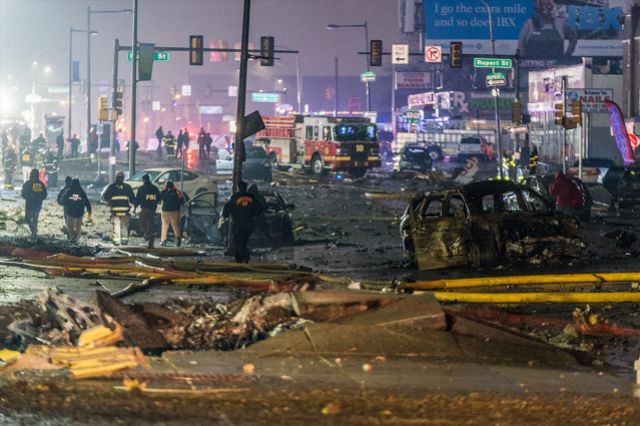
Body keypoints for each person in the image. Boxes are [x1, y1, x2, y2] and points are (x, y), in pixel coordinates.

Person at [222, 180, 262, 263]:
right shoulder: (251, 197)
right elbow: (259, 208)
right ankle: (239, 260)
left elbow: (226, 210)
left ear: (238, 187)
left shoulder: (234, 197)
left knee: (239, 241)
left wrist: (226, 215)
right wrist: (252, 215)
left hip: (238, 224)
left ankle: (245, 256)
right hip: (249, 223)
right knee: (243, 241)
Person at [103, 170, 135, 245]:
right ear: (123, 178)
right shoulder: (127, 187)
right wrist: (129, 206)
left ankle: (117, 241)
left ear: (116, 177)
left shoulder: (111, 187)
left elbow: (105, 196)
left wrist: (109, 201)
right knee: (124, 225)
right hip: (125, 210)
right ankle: (124, 241)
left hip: (115, 210)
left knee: (116, 225)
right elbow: (132, 198)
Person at [133, 174, 160, 248]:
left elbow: (137, 199)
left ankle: (146, 234)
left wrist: (135, 207)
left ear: (143, 179)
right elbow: (159, 198)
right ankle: (151, 242)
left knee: (142, 222)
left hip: (145, 209)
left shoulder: (141, 188)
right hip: (153, 210)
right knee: (150, 225)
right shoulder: (155, 188)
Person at [21, 168, 47, 238]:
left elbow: (23, 194)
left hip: (29, 204)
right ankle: (34, 232)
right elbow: (44, 195)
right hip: (37, 205)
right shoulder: (41, 184)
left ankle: (33, 231)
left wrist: (29, 197)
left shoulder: (28, 184)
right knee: (35, 218)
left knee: (27, 218)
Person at [63, 178, 91, 243]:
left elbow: (64, 201)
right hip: (79, 212)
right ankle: (77, 239)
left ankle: (73, 238)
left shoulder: (69, 192)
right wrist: (89, 209)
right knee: (78, 227)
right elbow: (86, 201)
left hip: (70, 212)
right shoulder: (81, 192)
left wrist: (68, 205)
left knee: (70, 227)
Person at [159, 180, 185, 247]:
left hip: (165, 212)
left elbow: (159, 198)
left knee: (164, 226)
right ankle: (178, 238)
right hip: (175, 211)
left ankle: (163, 241)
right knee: (175, 226)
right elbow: (182, 200)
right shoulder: (177, 192)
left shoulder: (164, 192)